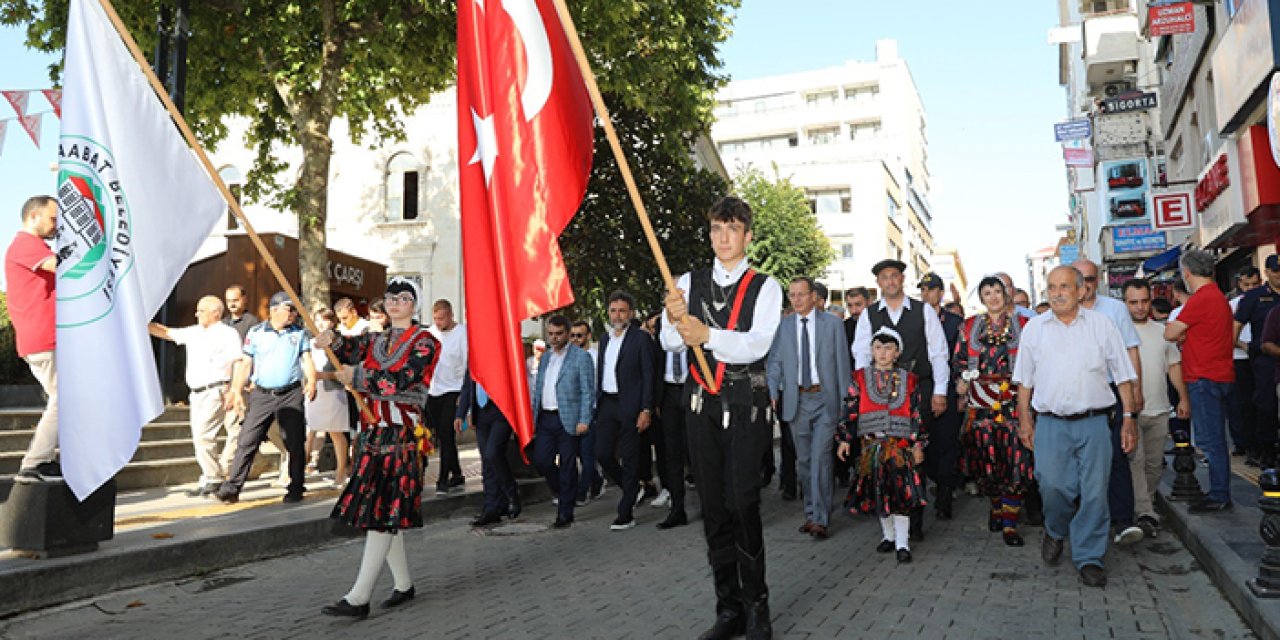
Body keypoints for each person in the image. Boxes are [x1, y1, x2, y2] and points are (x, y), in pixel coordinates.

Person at [662, 196, 782, 640]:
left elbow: (757, 344)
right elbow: (669, 344)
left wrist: (707, 334)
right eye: (716, 229)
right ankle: (728, 608)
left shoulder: (766, 287)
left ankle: (758, 607)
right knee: (712, 505)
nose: (723, 238)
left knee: (743, 503)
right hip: (700, 406)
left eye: (732, 229)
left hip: (745, 405)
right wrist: (674, 320)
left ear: (747, 235)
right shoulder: (687, 282)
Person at [316, 277, 440, 618]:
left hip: (401, 434)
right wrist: (332, 339)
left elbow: (401, 380)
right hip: (372, 433)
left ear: (414, 305)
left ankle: (359, 597)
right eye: (390, 297)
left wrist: (358, 379)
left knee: (382, 511)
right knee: (384, 509)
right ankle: (403, 584)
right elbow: (348, 349)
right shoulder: (376, 339)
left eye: (403, 297)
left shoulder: (426, 342)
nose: (395, 302)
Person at [1013, 265, 1137, 588]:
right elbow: (1024, 381)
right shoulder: (1034, 329)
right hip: (1051, 424)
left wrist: (1129, 418)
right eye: (1052, 287)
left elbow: (1123, 375)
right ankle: (1055, 529)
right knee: (1052, 486)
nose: (1057, 293)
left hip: (1095, 422)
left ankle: (1089, 557)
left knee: (1095, 492)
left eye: (1065, 287)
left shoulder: (1102, 326)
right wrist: (1024, 419)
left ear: (1081, 290)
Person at [851, 258, 949, 541]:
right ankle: (889, 525)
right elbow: (860, 354)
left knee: (914, 454)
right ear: (878, 283)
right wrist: (863, 391)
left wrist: (940, 391)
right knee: (884, 458)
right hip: (879, 396)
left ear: (902, 279)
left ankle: (913, 522)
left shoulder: (923, 311)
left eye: (894, 276)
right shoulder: (869, 314)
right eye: (884, 277)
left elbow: (938, 352)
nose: (890, 282)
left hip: (916, 393)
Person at [766, 276, 851, 541]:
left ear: (813, 296)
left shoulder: (833, 325)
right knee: (803, 462)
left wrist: (845, 404)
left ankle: (821, 519)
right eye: (792, 295)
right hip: (796, 401)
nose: (797, 299)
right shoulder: (785, 326)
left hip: (825, 399)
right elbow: (775, 361)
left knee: (820, 458)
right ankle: (811, 512)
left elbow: (842, 364)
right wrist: (772, 392)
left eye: (802, 294)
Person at [214, 291, 316, 504]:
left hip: (291, 393)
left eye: (294, 309)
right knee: (247, 440)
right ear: (274, 310)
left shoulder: (300, 334)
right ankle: (232, 488)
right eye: (289, 309)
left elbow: (307, 360)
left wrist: (312, 382)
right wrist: (236, 390)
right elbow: (245, 364)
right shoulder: (256, 332)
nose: (293, 314)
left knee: (295, 442)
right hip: (261, 394)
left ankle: (296, 486)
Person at [953, 276, 1032, 546]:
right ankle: (996, 507)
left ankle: (1010, 523)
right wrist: (961, 381)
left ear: (1006, 294)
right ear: (982, 298)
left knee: (1015, 460)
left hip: (1014, 401)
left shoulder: (1024, 324)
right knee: (987, 460)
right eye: (988, 292)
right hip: (981, 403)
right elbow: (960, 360)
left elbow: (1035, 360)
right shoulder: (969, 326)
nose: (994, 297)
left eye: (997, 291)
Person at [1072, 258, 1144, 546]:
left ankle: (1123, 520)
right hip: (1078, 395)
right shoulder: (1063, 313)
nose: (1085, 285)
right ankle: (1083, 523)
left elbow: (1131, 351)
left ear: (1099, 280)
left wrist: (1136, 390)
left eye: (1090, 279)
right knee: (1080, 460)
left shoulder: (1114, 310)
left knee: (1117, 453)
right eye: (1080, 279)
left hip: (1113, 391)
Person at [839, 327, 926, 563]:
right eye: (878, 348)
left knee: (900, 494)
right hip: (872, 446)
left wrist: (917, 444)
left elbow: (916, 414)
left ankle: (902, 542)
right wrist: (845, 439)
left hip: (900, 447)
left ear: (897, 353)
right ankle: (887, 536)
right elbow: (850, 410)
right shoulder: (859, 379)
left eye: (888, 348)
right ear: (871, 351)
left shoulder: (909, 380)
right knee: (879, 491)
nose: (883, 353)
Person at [148, 296, 242, 496]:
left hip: (216, 389)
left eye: (201, 310)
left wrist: (235, 390)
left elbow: (238, 361)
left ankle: (213, 477)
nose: (196, 314)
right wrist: (141, 322)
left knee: (204, 435)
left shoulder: (228, 333)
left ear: (216, 312)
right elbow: (166, 332)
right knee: (200, 436)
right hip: (196, 393)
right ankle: (210, 476)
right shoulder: (194, 332)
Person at [1167, 251, 1235, 512]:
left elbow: (1170, 333)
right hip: (1220, 373)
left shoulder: (1200, 299)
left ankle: (1219, 494)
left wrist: (1178, 333)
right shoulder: (1218, 297)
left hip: (1204, 376)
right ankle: (1220, 491)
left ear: (1187, 273)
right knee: (1216, 438)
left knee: (1211, 441)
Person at [1123, 279, 1189, 537]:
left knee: (1153, 465)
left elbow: (1174, 366)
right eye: (1133, 302)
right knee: (1135, 462)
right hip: (1131, 411)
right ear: (1125, 303)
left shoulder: (1164, 332)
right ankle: (1145, 512)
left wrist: (1183, 398)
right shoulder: (1117, 333)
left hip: (1160, 408)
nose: (1139, 307)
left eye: (1144, 301)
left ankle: (1144, 507)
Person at [6, 196, 59, 483]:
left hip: (45, 336)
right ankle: (35, 462)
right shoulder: (26, 245)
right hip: (42, 336)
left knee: (64, 399)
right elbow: (63, 267)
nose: (56, 226)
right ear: (34, 216)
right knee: (62, 399)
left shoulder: (35, 245)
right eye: (53, 219)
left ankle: (46, 460)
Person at [593, 291, 655, 530]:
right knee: (602, 453)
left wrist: (646, 408)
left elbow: (649, 375)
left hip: (630, 405)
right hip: (607, 404)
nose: (617, 315)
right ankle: (633, 487)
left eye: (622, 310)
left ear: (631, 313)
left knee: (630, 459)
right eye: (613, 310)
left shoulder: (640, 339)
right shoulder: (605, 339)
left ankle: (626, 512)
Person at [531, 315, 595, 529]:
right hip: (546, 418)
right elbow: (539, 388)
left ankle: (565, 513)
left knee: (568, 465)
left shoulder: (580, 357)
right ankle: (566, 490)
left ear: (567, 334)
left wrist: (584, 419)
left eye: (559, 334)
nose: (554, 338)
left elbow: (588, 391)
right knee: (541, 460)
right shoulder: (546, 358)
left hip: (568, 418)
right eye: (550, 334)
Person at [918, 272, 964, 520]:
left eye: (931, 289)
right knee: (927, 444)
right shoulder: (915, 318)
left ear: (940, 293)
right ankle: (934, 482)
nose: (927, 294)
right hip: (922, 390)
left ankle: (945, 496)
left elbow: (960, 357)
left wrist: (960, 389)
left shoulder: (954, 322)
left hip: (948, 388)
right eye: (923, 290)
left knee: (947, 442)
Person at [457, 370, 520, 526]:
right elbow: (468, 386)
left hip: (502, 411)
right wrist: (461, 414)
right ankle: (492, 507)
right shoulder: (473, 355)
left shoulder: (499, 351)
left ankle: (511, 493)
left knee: (493, 453)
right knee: (486, 460)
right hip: (481, 413)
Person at [1234, 255, 1280, 467]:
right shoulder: (1254, 297)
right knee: (1266, 405)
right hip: (1265, 360)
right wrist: (1246, 348)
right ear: (1268, 272)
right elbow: (1235, 327)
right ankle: (1266, 450)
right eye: (1276, 270)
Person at [303, 308, 350, 485]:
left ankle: (341, 472)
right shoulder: (308, 341)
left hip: (332, 390)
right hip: (313, 389)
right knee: (310, 429)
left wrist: (322, 375)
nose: (321, 324)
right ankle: (302, 466)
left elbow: (343, 370)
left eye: (325, 320)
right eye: (317, 320)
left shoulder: (338, 343)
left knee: (335, 432)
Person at [654, 311, 691, 529]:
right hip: (668, 394)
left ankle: (712, 507)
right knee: (672, 453)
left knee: (697, 451)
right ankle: (677, 510)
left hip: (691, 389)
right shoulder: (661, 324)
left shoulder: (696, 319)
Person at [427, 299, 468, 495]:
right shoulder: (430, 333)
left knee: (446, 433)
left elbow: (468, 366)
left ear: (451, 316)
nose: (438, 322)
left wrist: (464, 395)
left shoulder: (462, 334)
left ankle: (443, 478)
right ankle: (457, 473)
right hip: (433, 389)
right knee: (440, 434)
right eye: (435, 318)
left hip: (454, 389)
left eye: (441, 318)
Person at [1230, 268, 1262, 461]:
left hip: (1263, 357)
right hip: (1240, 359)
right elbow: (1228, 333)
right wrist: (1245, 346)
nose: (1250, 288)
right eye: (1246, 285)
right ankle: (1247, 444)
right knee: (1244, 404)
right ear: (1239, 285)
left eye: (1254, 284)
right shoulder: (1233, 305)